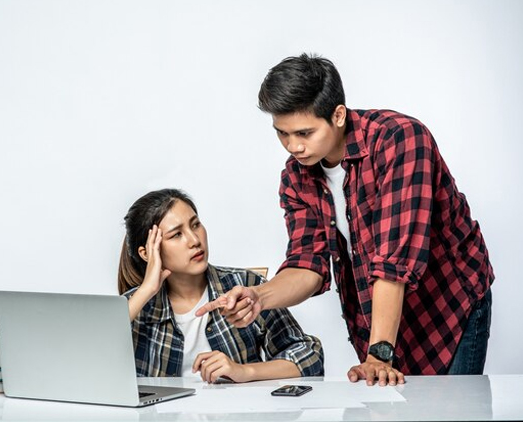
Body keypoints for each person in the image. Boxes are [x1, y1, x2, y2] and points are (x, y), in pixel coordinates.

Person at [196, 54, 494, 387]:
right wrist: (259, 297)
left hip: (448, 306)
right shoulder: (296, 177)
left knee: (452, 408)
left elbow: (393, 261)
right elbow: (307, 265)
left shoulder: (400, 141)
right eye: (282, 133)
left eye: (304, 132)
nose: (293, 146)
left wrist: (378, 354)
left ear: (338, 115)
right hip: (378, 320)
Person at [119, 188, 324, 383]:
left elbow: (310, 355)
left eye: (195, 225)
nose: (194, 240)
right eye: (176, 234)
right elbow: (98, 363)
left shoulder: (244, 286)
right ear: (147, 252)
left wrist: (244, 371)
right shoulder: (133, 306)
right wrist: (147, 289)